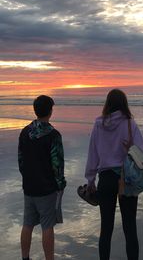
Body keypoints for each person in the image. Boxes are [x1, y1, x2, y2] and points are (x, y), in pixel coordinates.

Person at [85, 89, 143, 260]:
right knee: (130, 228)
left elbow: (93, 154)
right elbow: (142, 152)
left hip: (105, 179)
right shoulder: (129, 123)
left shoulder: (99, 124)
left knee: (106, 228)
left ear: (108, 104)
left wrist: (90, 180)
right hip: (127, 178)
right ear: (124, 104)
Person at [18, 95, 66, 260]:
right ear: (50, 111)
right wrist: (60, 184)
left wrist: (27, 178)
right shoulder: (53, 135)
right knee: (47, 226)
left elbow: (21, 161)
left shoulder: (25, 132)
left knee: (28, 224)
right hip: (46, 189)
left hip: (29, 186)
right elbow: (57, 165)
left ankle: (25, 257)